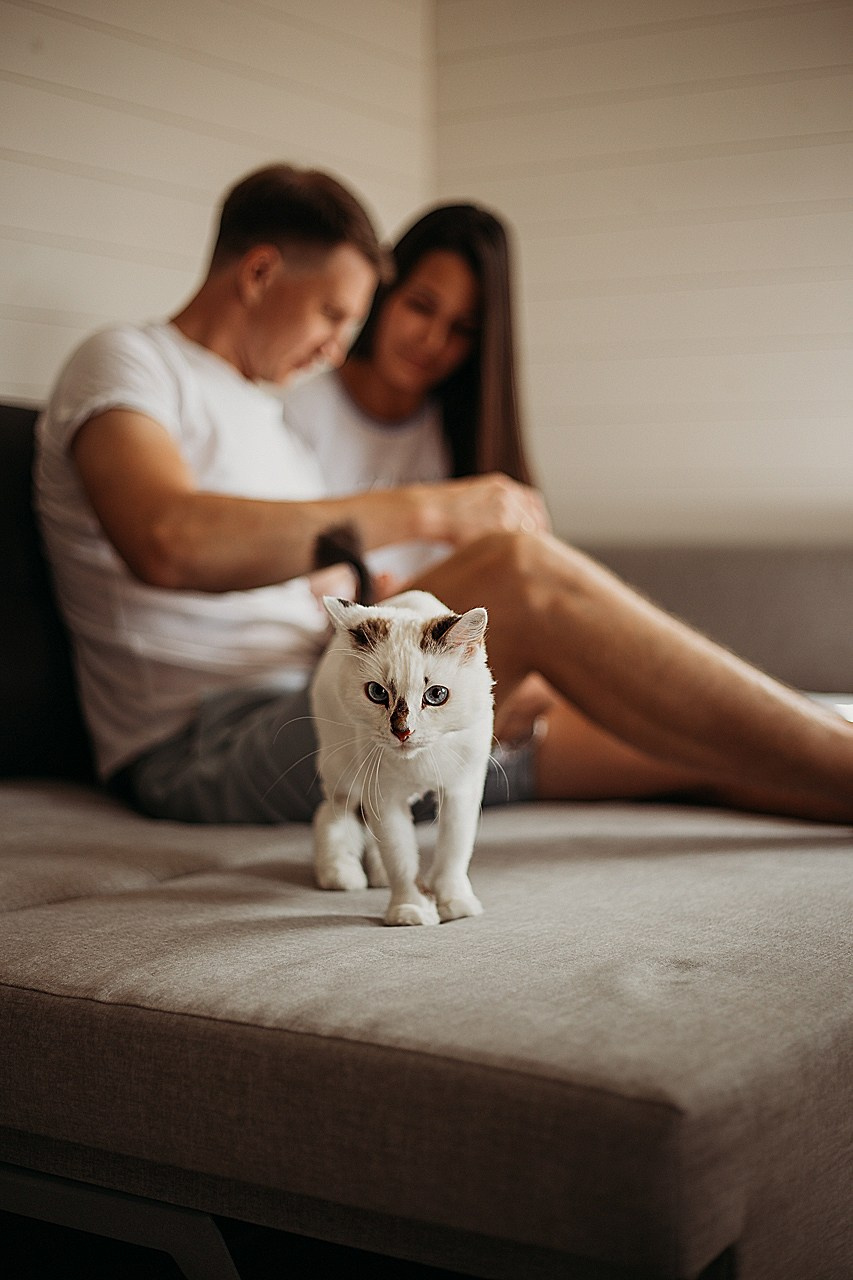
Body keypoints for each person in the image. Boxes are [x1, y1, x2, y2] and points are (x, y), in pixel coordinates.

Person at [35, 163, 853, 829]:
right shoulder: (128, 361)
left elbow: (297, 575)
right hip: (204, 745)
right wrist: (435, 508)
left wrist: (370, 598)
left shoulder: (267, 422)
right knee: (519, 574)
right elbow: (166, 537)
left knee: (695, 751)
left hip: (334, 699)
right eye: (331, 313)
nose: (334, 346)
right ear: (259, 272)